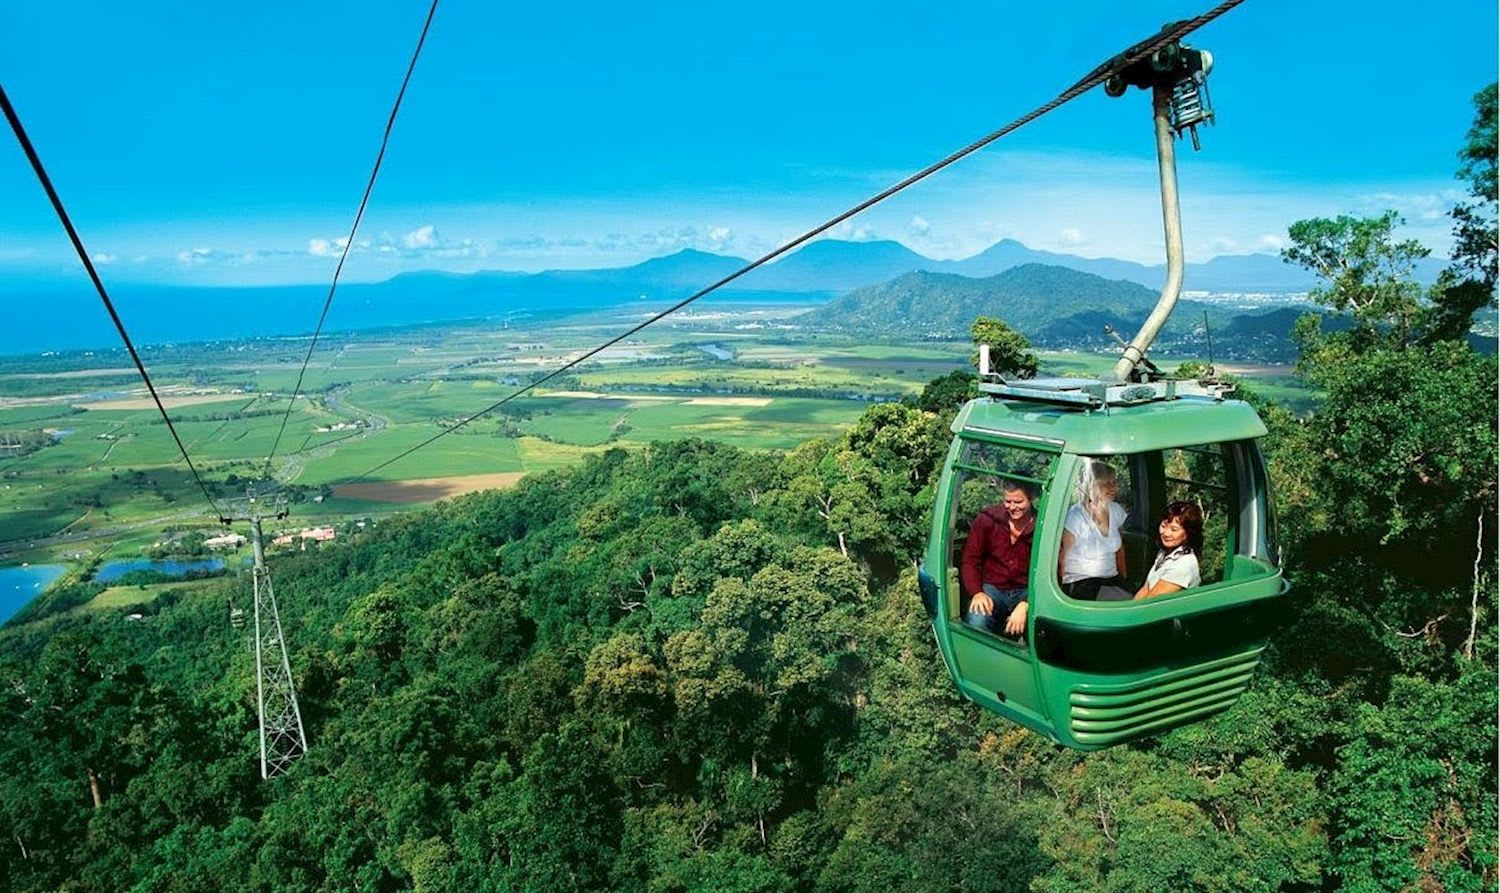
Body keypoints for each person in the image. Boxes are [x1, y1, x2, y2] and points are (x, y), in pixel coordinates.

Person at [960, 479, 1037, 637]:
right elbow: (970, 560)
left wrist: (1027, 603)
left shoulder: (1042, 525)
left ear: (1032, 499)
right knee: (976, 621)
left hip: (1026, 590)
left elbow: (1053, 571)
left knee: (1040, 627)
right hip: (993, 588)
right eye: (1008, 501)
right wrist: (977, 593)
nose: (1012, 507)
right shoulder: (988, 519)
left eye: (1018, 502)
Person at [1058, 460, 1128, 600]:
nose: (1112, 488)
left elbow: (1120, 550)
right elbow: (1062, 558)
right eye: (1106, 484)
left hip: (1110, 581)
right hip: (1082, 583)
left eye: (1114, 483)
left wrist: (1125, 581)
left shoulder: (1116, 510)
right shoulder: (1075, 516)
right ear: (1091, 486)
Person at [1133, 500, 1203, 600]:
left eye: (1174, 530)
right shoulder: (1165, 552)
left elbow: (1151, 602)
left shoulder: (1182, 565)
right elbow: (1146, 588)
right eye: (1163, 526)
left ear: (1188, 533)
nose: (1166, 533)